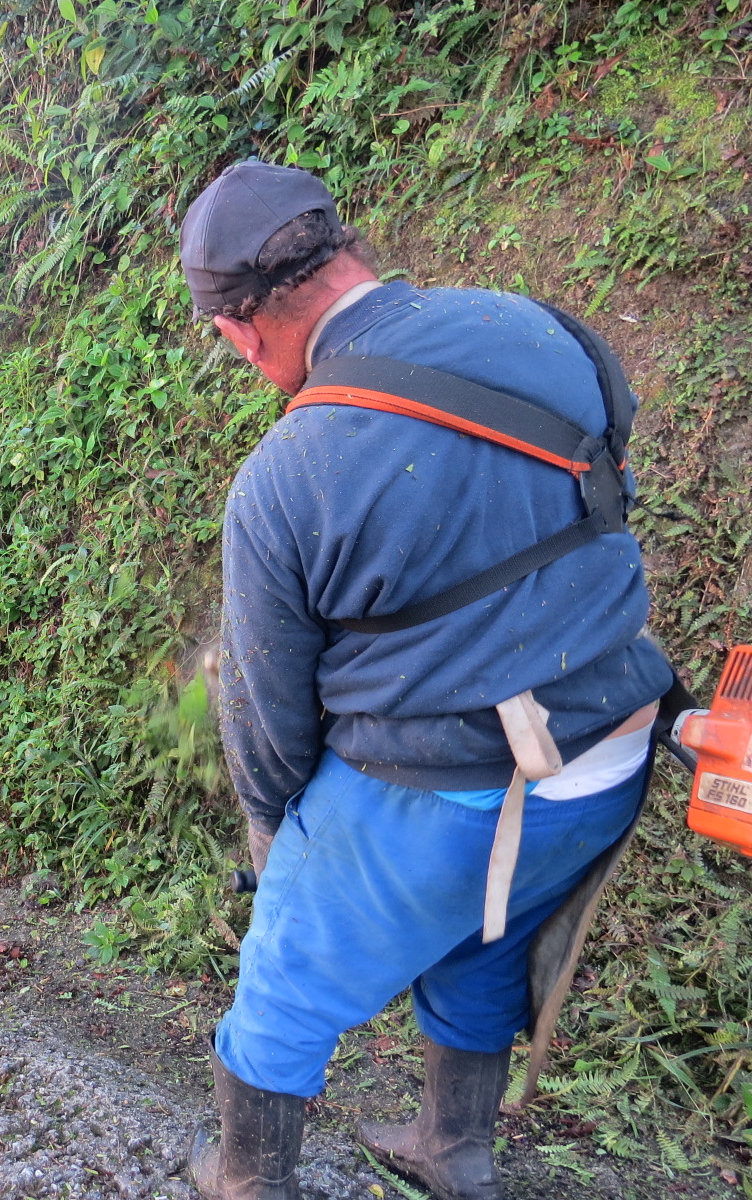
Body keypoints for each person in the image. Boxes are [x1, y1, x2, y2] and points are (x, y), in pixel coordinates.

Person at [178, 159, 674, 1200]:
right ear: (348, 247)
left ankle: (244, 1178)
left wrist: (277, 845)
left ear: (239, 328)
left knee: (283, 981)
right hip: (612, 752)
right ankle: (452, 1150)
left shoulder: (286, 471)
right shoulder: (544, 329)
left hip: (445, 793)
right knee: (485, 930)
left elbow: (264, 715)